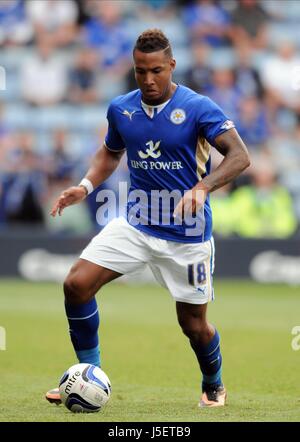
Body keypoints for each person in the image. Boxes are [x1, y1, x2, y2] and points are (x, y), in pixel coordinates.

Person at [46, 29, 250, 408]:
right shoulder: (121, 108)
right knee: (76, 284)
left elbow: (240, 156)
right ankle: (87, 374)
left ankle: (213, 382)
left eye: (156, 70)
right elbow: (110, 153)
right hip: (136, 223)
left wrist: (202, 187)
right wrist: (85, 186)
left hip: (187, 234)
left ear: (172, 65)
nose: (148, 79)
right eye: (141, 71)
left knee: (193, 325)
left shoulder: (198, 107)